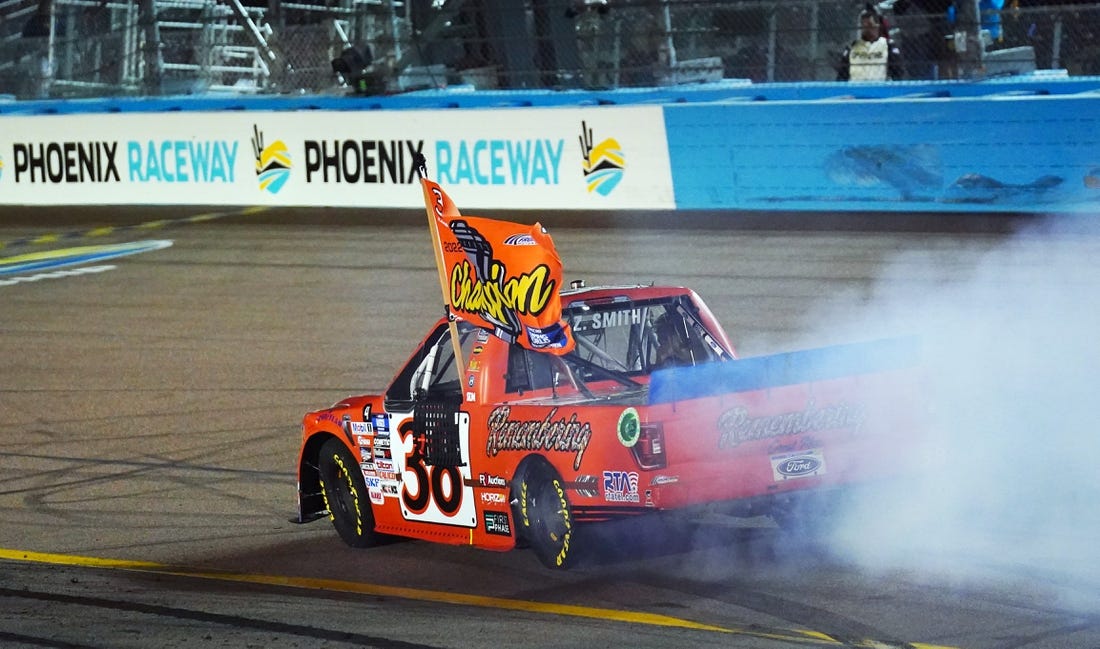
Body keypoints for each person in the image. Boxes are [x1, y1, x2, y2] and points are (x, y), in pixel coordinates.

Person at [837, 4, 904, 81]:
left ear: (877, 26)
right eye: (864, 26)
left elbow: (898, 72)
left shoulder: (888, 45)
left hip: (879, 87)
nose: (867, 29)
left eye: (870, 25)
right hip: (856, 88)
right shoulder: (851, 47)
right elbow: (842, 74)